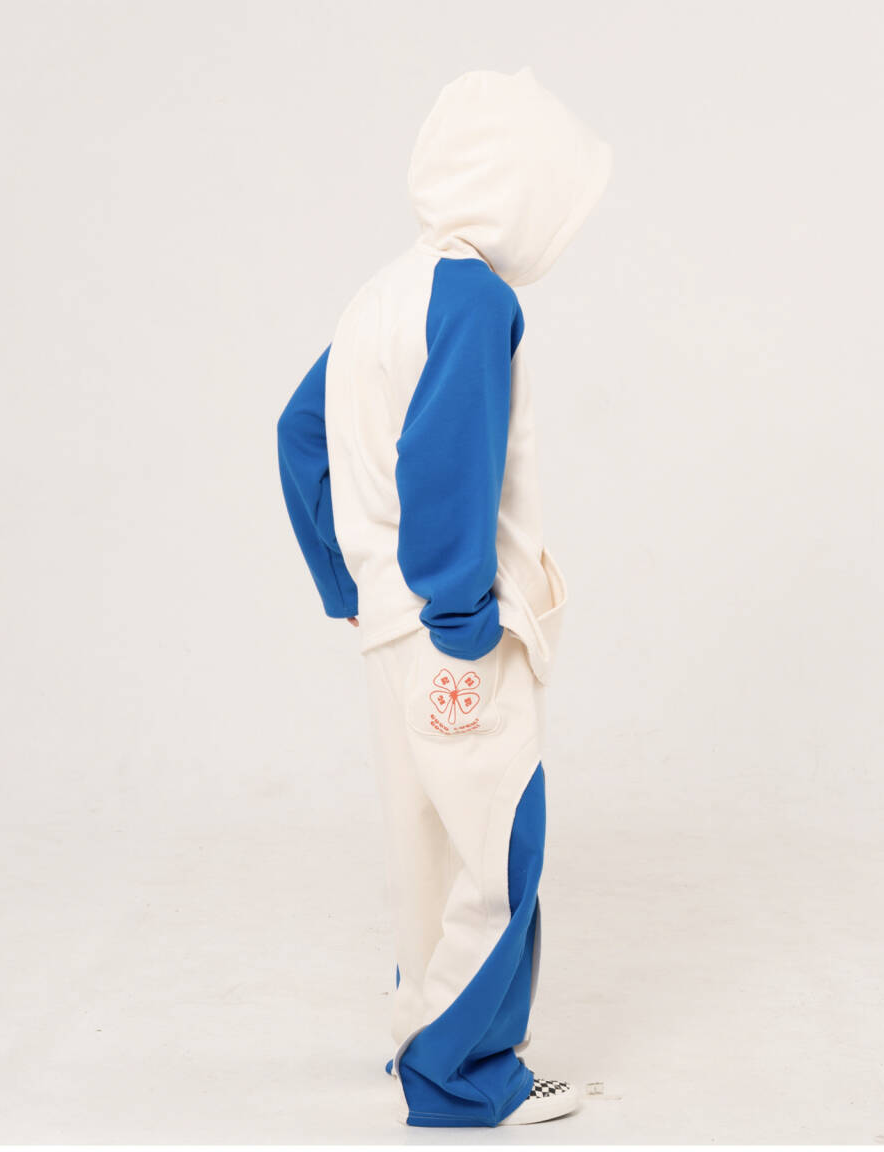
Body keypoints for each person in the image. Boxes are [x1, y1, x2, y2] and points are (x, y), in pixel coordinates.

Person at [277, 65, 612, 1128]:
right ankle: (464, 1076)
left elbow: (300, 433)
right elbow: (448, 463)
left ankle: (421, 1039)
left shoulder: (381, 295)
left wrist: (343, 577)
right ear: (517, 191)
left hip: (389, 633)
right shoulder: (475, 300)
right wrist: (462, 614)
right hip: (457, 632)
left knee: (422, 849)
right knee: (497, 843)